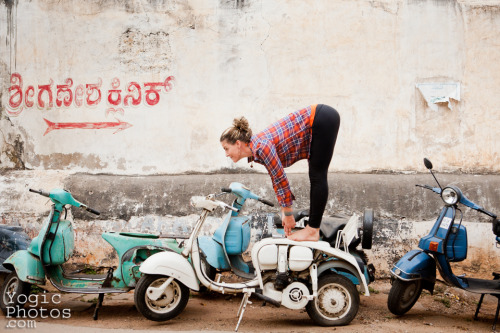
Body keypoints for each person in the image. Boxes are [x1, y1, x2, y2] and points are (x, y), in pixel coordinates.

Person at [220, 104, 340, 241]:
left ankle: (312, 230)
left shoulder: (261, 146)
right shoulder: (257, 147)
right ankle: (312, 229)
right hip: (321, 119)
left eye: (226, 148)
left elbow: (279, 178)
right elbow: (276, 177)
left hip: (320, 119)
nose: (226, 154)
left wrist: (288, 213)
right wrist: (285, 211)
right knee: (316, 175)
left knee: (317, 176)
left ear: (238, 144)